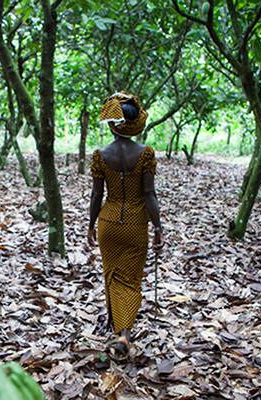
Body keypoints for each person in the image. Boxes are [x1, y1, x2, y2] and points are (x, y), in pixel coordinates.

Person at [88, 92, 164, 360]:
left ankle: (117, 327)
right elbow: (149, 194)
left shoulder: (100, 155)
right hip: (135, 223)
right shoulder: (145, 154)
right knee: (130, 279)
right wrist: (158, 228)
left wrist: (90, 225)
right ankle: (124, 333)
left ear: (112, 124)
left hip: (108, 223)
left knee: (111, 275)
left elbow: (97, 195)